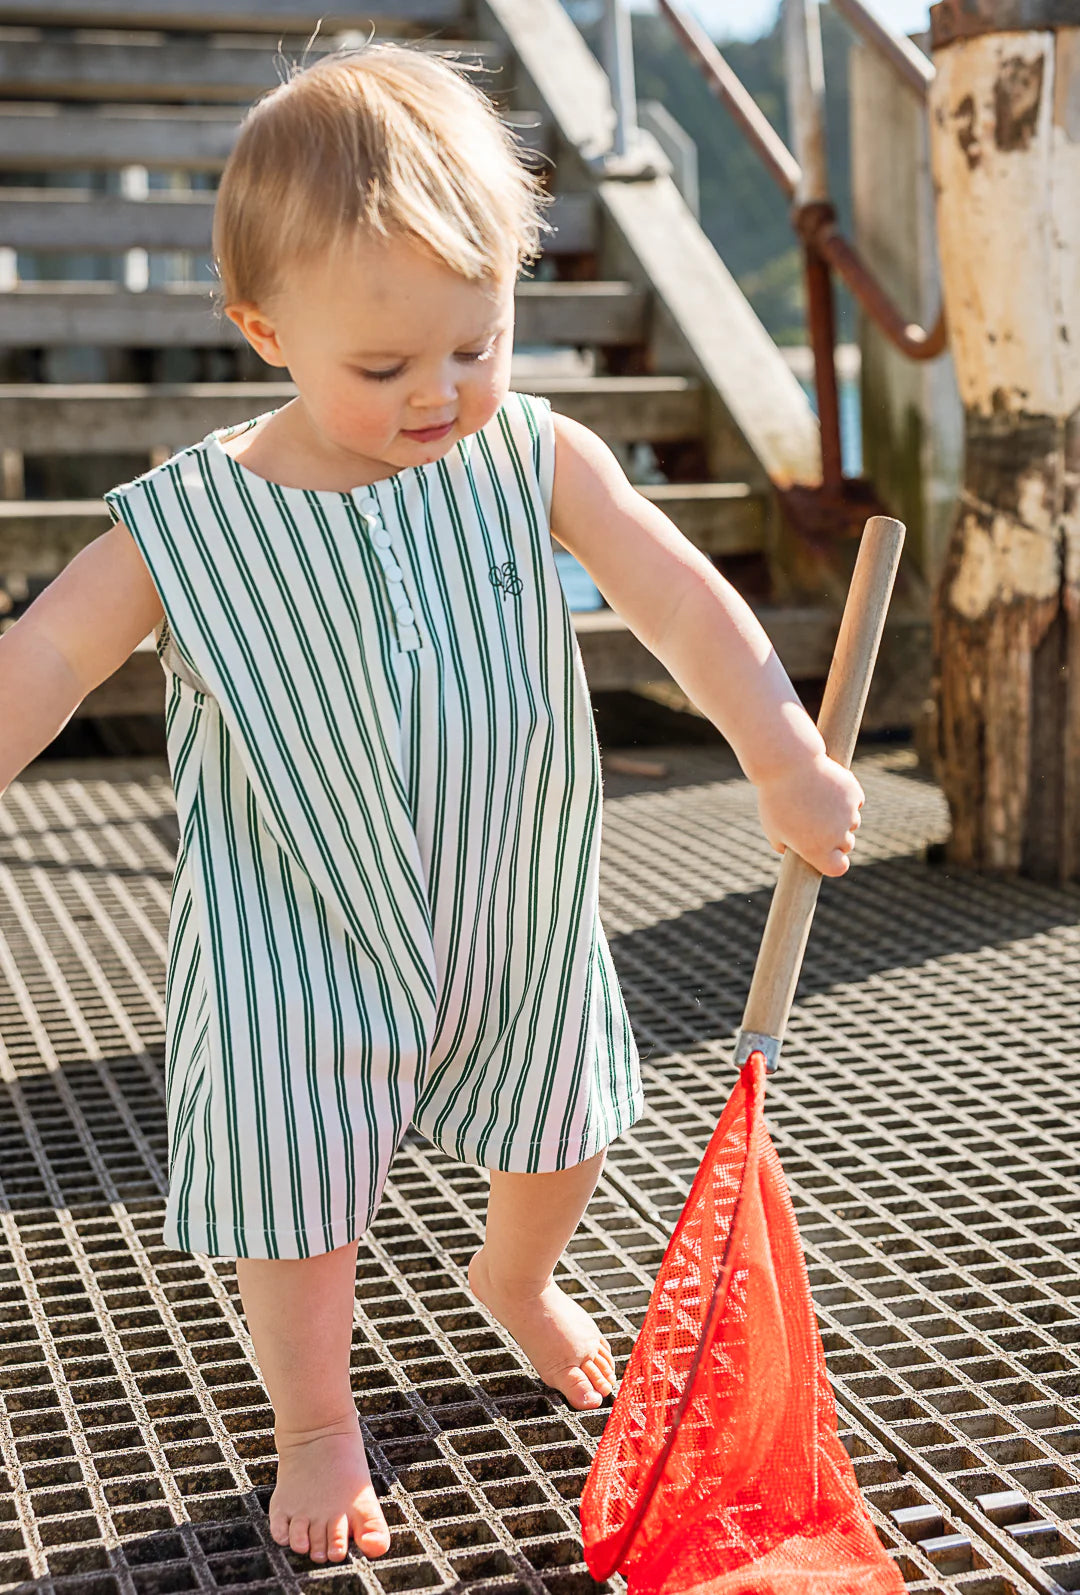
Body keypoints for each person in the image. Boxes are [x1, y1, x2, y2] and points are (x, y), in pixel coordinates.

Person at [0, 39, 863, 1570]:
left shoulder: (534, 457)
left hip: (509, 891)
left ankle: (512, 1279)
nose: (441, 394)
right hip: (300, 922)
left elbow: (676, 594)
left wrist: (783, 750)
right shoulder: (191, 520)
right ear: (266, 330)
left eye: (479, 342)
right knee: (296, 1182)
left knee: (565, 1122)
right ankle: (316, 1417)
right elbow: (51, 654)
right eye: (383, 367)